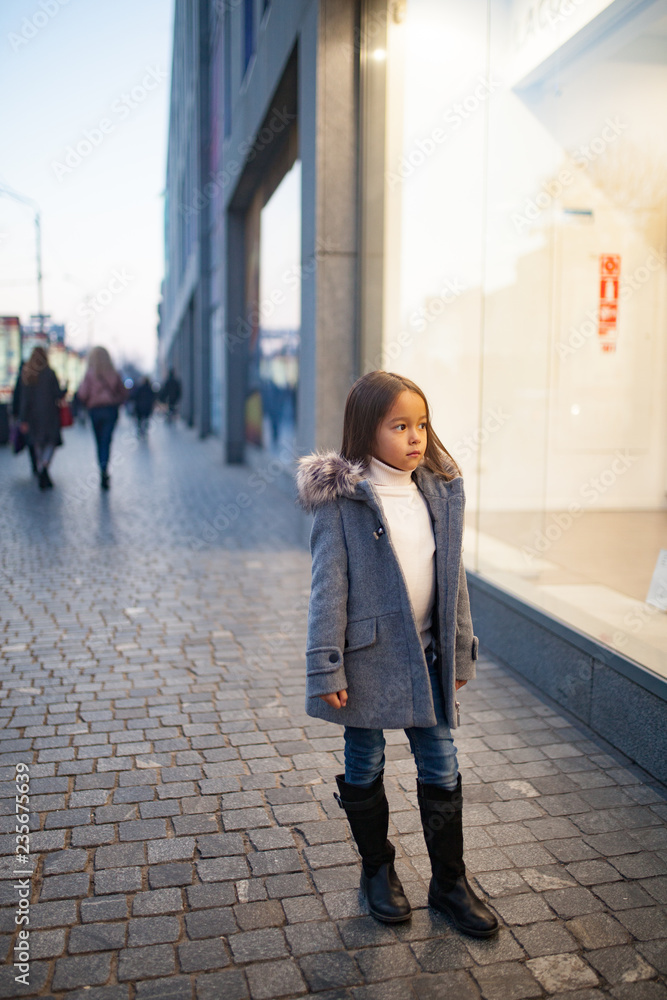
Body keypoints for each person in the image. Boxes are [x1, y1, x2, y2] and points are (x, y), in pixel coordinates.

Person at [295, 370, 498, 938]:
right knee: (365, 762)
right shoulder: (343, 503)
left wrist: (459, 651)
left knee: (442, 763)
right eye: (400, 426)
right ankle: (377, 870)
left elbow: (452, 580)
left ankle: (450, 884)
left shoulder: (437, 491)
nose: (415, 437)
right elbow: (326, 589)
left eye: (422, 424)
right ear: (367, 430)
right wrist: (326, 665)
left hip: (428, 659)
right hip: (365, 663)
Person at [77, 346, 127, 490]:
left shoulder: (90, 374)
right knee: (107, 440)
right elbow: (123, 392)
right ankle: (105, 468)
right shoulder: (114, 373)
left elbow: (82, 394)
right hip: (111, 410)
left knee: (99, 442)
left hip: (95, 410)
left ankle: (102, 469)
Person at [18, 347, 66, 490]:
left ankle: (41, 468)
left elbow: (24, 399)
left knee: (38, 443)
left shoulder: (28, 375)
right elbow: (58, 394)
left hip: (33, 416)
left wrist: (23, 419)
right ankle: (44, 466)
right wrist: (65, 388)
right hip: (50, 414)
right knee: (50, 442)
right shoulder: (50, 373)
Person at [12, 361, 38, 476]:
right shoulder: (31, 379)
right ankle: (37, 463)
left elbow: (17, 397)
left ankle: (35, 464)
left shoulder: (24, 380)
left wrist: (16, 413)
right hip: (31, 415)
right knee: (32, 439)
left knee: (31, 440)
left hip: (27, 415)